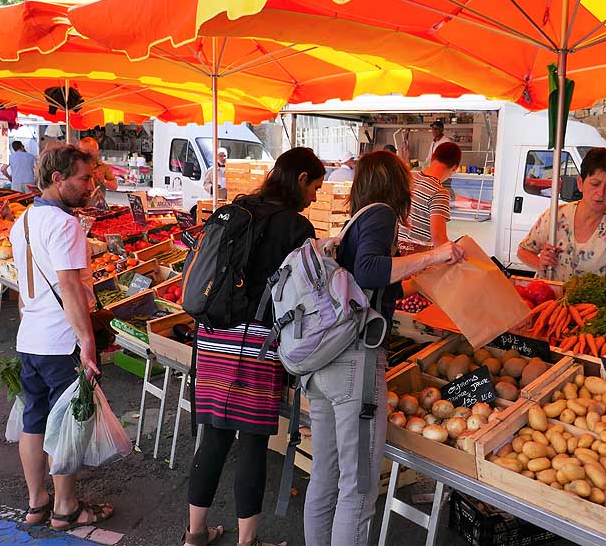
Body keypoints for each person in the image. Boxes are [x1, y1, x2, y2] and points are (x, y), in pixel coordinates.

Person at [303, 151, 465, 546]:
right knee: (358, 488)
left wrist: (420, 274)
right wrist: (436, 253)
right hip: (354, 364)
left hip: (324, 363)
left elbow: (372, 285)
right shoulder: (381, 214)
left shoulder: (357, 219)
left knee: (325, 474)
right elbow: (371, 270)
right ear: (396, 183)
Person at [183, 147, 325, 546]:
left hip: (212, 338)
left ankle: (194, 534)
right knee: (252, 443)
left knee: (212, 436)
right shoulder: (295, 227)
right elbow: (304, 296)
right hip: (257, 344)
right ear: (300, 180)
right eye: (315, 186)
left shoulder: (240, 208)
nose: (315, 196)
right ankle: (248, 542)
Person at [9, 145, 115, 531]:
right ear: (57, 179)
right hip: (61, 342)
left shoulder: (21, 222)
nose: (90, 185)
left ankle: (37, 503)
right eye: (83, 178)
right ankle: (66, 508)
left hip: (30, 339)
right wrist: (86, 341)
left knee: (34, 421)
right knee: (69, 424)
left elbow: (23, 286)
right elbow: (70, 287)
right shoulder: (65, 224)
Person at [517, 147, 606, 282]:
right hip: (548, 299)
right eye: (594, 184)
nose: (600, 193)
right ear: (580, 183)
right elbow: (523, 251)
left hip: (590, 307)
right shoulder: (555, 216)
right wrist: (540, 263)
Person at [399, 142, 461, 252]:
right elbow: (439, 240)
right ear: (455, 168)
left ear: (432, 157)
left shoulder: (409, 177)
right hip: (417, 257)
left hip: (395, 251)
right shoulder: (439, 192)